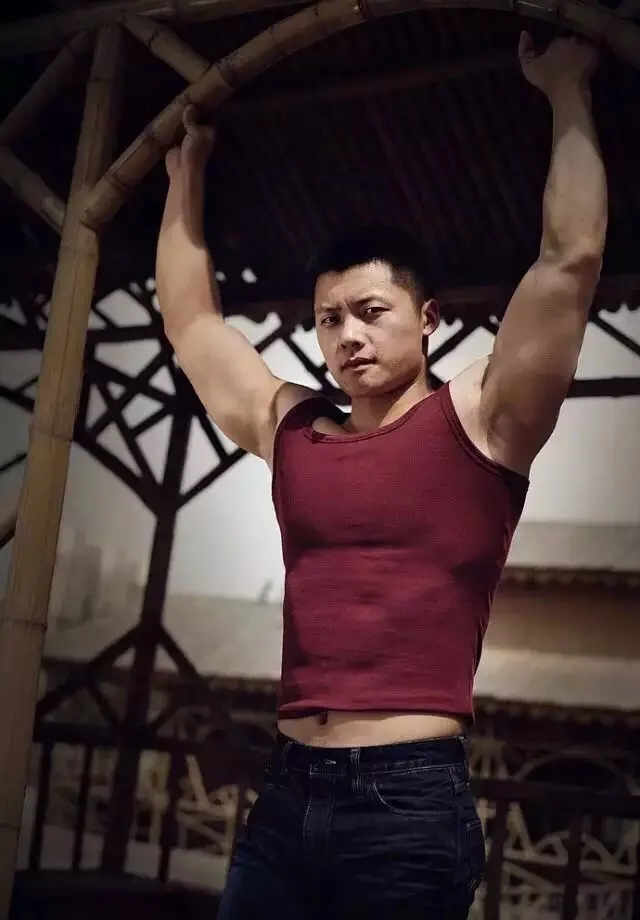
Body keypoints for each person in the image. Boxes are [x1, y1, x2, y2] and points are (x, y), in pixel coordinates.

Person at [156, 31, 606, 920]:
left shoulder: (484, 419)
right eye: (329, 320)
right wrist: (186, 169)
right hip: (287, 793)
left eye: (370, 311)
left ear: (427, 317)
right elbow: (191, 322)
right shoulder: (292, 426)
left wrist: (566, 87)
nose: (348, 336)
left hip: (410, 801)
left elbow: (570, 260)